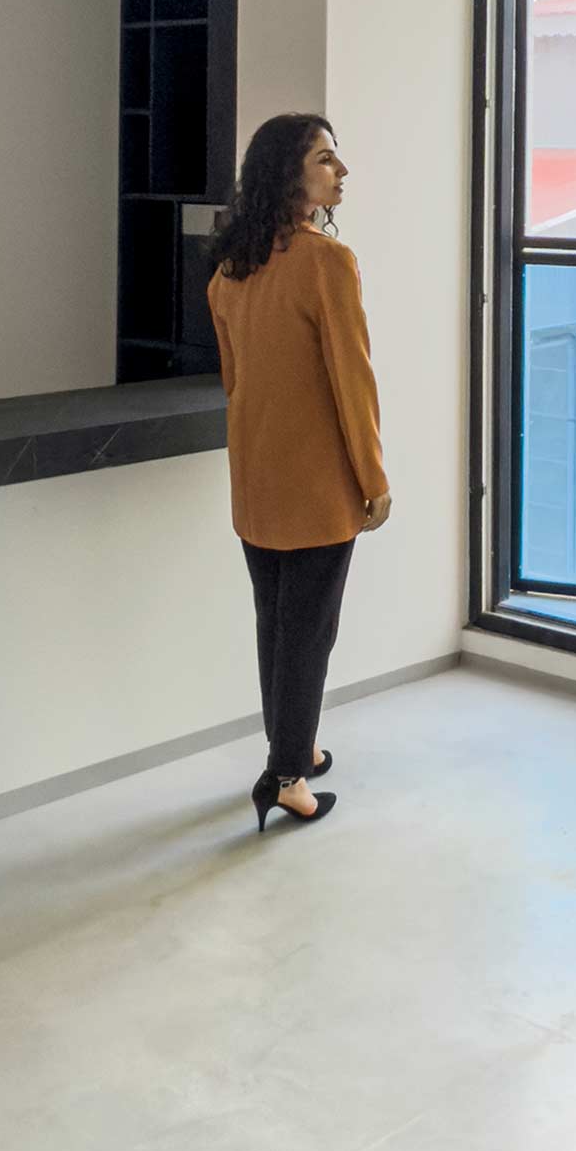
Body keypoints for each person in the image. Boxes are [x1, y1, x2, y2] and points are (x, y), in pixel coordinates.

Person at [207, 112, 390, 831]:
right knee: (309, 632)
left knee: (276, 624)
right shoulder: (326, 263)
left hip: (254, 476)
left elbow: (232, 378)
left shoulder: (232, 266)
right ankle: (287, 777)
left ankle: (296, 748)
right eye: (324, 159)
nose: (339, 172)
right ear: (290, 174)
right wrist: (372, 480)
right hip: (317, 482)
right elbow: (354, 381)